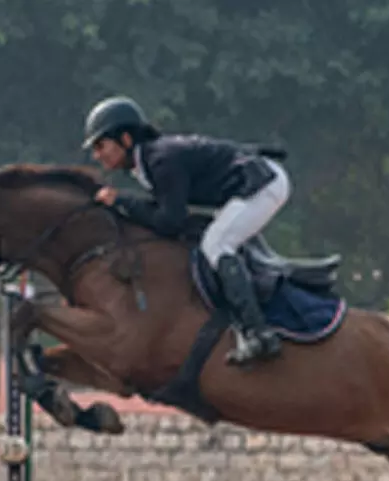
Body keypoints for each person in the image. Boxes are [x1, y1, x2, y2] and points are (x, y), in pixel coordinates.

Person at [83, 95, 288, 366]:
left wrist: (121, 201)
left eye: (101, 145)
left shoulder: (160, 160)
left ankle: (258, 333)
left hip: (262, 184)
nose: (97, 155)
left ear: (126, 139)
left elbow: (171, 221)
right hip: (245, 186)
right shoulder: (150, 160)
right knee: (212, 239)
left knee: (216, 245)